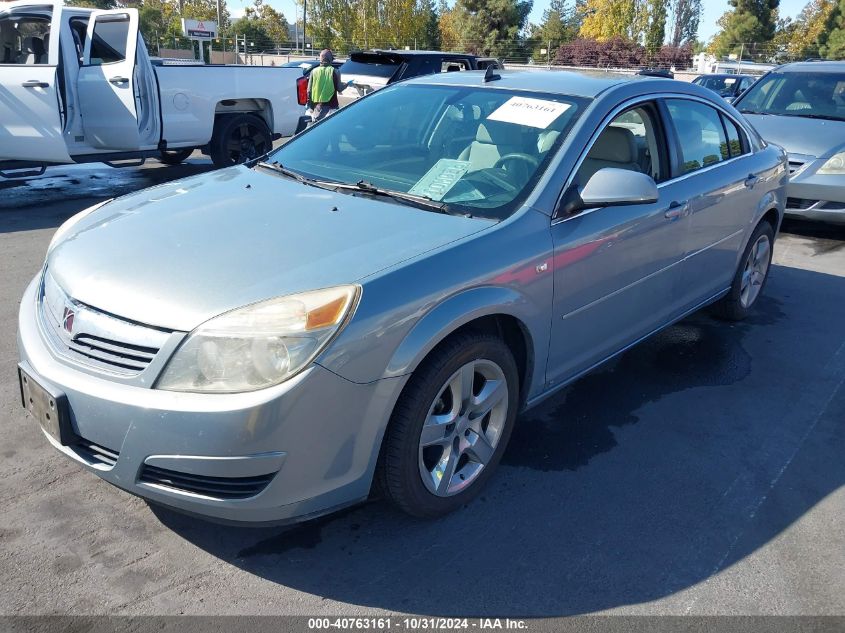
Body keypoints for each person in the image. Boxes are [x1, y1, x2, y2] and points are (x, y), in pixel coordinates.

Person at [306, 49, 350, 123]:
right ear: (330, 60)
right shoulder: (335, 71)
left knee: (316, 127)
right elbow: (339, 88)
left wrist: (310, 106)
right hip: (332, 106)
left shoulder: (314, 71)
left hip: (317, 107)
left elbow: (309, 91)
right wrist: (347, 84)